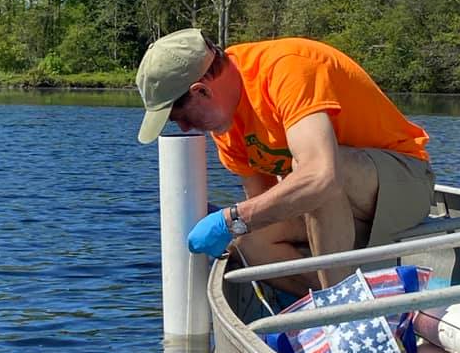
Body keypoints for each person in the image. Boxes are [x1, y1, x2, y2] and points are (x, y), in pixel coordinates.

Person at [136, 28, 434, 293]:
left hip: (405, 184)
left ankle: (344, 314)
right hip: (338, 210)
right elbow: (265, 205)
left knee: (314, 173)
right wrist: (235, 230)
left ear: (201, 90)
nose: (186, 128)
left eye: (182, 117)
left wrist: (232, 219)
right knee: (248, 242)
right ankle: (359, 292)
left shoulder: (287, 68)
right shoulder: (226, 129)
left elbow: (322, 176)